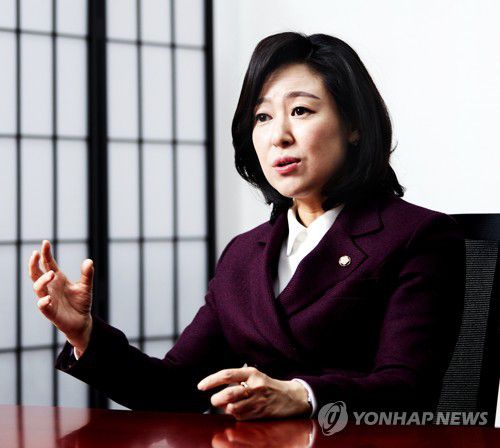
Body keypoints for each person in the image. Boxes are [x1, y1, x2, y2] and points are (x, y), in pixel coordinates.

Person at [28, 32, 465, 421]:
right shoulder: (243, 253)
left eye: (300, 110)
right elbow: (176, 388)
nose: (279, 136)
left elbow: (408, 391)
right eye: (262, 117)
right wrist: (84, 333)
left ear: (354, 126)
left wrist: (302, 395)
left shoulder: (417, 236)